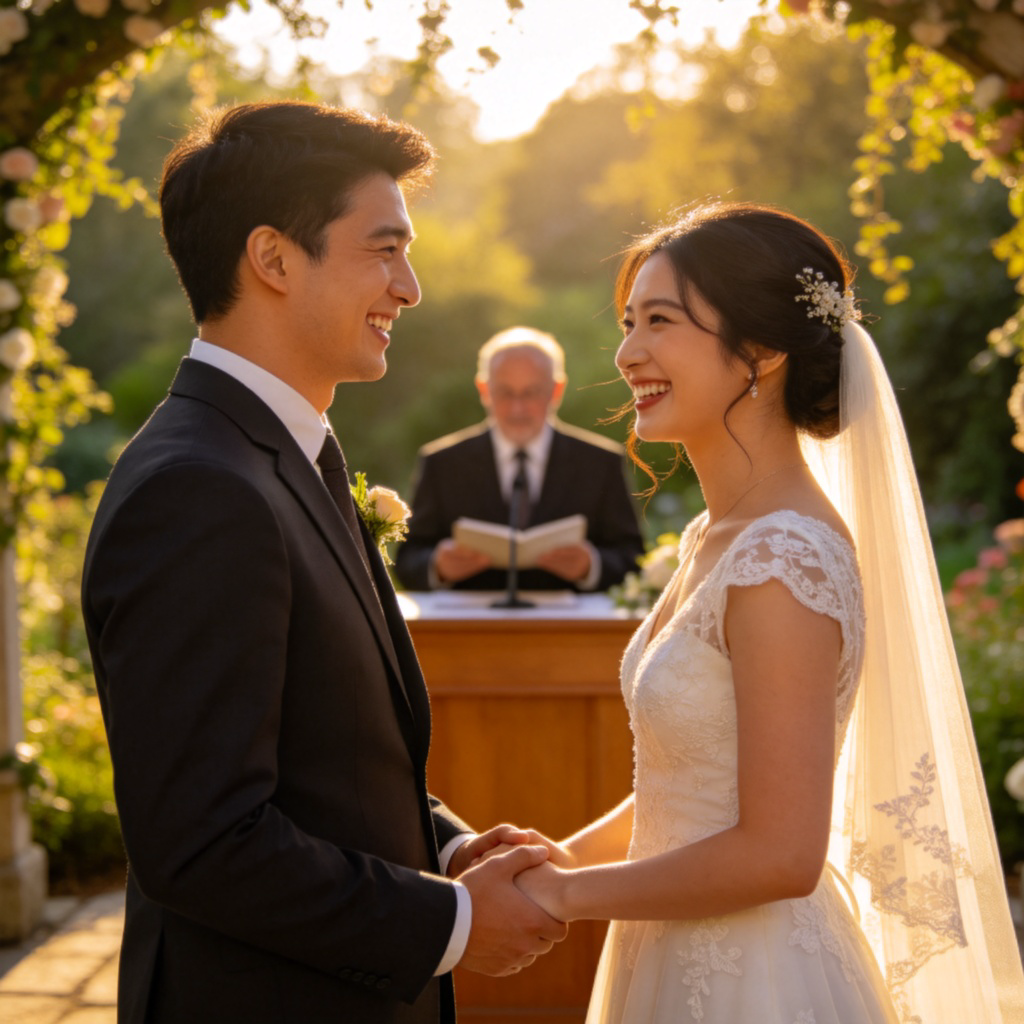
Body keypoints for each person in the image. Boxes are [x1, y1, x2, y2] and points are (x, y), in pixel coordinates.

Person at [80, 101, 567, 1024]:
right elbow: (203, 839)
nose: (410, 286)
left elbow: (318, 763)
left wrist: (448, 848)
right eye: (383, 250)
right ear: (271, 259)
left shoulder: (279, 455)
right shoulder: (199, 489)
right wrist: (454, 924)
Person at [509, 202, 1024, 1022]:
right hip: (668, 945)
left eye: (661, 321)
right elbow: (692, 791)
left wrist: (566, 895)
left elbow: (781, 854)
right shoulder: (716, 538)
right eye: (629, 321)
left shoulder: (782, 560)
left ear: (765, 352)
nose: (629, 351)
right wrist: (554, 860)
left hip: (758, 979)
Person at [394, 327, 645, 592]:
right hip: (471, 629)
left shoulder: (600, 463)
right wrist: (438, 566)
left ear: (556, 390)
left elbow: (632, 557)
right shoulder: (442, 463)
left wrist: (590, 565)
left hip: (567, 629)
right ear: (484, 389)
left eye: (531, 392)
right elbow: (408, 560)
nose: (518, 408)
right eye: (505, 392)